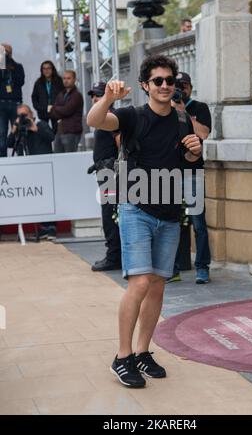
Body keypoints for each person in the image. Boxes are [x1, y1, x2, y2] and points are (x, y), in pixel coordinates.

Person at [87, 54, 201, 388]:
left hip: (169, 212)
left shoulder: (182, 121)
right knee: (139, 283)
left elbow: (189, 161)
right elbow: (95, 120)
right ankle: (122, 357)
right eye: (158, 81)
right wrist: (108, 97)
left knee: (157, 285)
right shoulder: (133, 116)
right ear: (145, 85)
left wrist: (195, 150)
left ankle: (142, 352)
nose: (165, 86)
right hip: (136, 208)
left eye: (170, 80)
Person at [169, 71, 212, 285]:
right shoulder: (166, 109)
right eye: (175, 85)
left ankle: (202, 267)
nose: (179, 90)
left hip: (193, 172)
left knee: (198, 223)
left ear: (190, 88)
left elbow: (203, 134)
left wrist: (182, 110)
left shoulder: (199, 108)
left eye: (183, 86)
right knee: (171, 223)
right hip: (172, 173)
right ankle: (173, 268)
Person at [7, 104, 56, 239]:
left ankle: (50, 227)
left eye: (25, 114)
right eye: (20, 115)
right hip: (27, 169)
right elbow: (9, 143)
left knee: (46, 196)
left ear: (31, 113)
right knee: (35, 197)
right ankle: (42, 227)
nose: (23, 118)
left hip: (44, 167)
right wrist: (15, 128)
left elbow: (51, 137)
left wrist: (35, 129)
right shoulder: (20, 129)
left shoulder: (41, 124)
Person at [88, 82, 121, 272]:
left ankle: (114, 257)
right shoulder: (102, 117)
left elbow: (120, 144)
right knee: (109, 213)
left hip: (111, 174)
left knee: (110, 215)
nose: (94, 98)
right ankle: (115, 255)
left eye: (98, 95)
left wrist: (117, 169)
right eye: (93, 95)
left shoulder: (111, 117)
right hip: (105, 172)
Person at [0, 44, 25, 157]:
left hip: (15, 104)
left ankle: (19, 156)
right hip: (1, 104)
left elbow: (21, 82)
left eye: (7, 52)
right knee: (2, 133)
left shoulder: (18, 66)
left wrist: (11, 65)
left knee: (17, 131)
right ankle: (3, 159)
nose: (5, 54)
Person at [50, 70, 83, 153]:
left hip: (71, 132)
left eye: (68, 78)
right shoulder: (61, 94)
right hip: (59, 131)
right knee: (58, 157)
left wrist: (55, 107)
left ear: (74, 79)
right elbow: (53, 113)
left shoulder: (77, 95)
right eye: (64, 78)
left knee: (70, 158)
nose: (66, 80)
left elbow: (67, 110)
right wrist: (58, 109)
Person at [31, 61, 64, 134]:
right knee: (44, 133)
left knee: (58, 132)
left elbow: (64, 95)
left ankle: (57, 145)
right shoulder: (38, 82)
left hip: (56, 111)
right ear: (42, 70)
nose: (46, 71)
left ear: (52, 69)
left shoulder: (59, 81)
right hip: (43, 111)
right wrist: (38, 107)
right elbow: (34, 97)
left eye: (48, 68)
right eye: (44, 69)